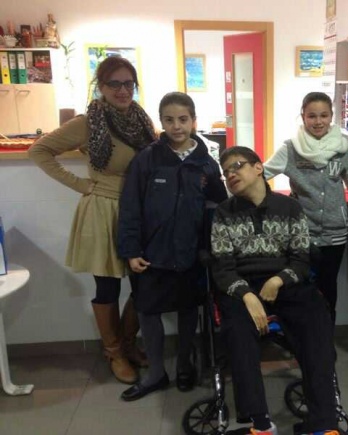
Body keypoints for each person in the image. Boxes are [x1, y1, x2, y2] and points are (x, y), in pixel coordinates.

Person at [28, 56, 156, 384]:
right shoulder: (89, 122)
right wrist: (81, 185)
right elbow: (39, 151)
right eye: (114, 83)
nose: (123, 90)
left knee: (144, 283)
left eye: (128, 83)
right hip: (104, 210)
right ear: (101, 86)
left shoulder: (141, 120)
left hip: (140, 211)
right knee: (108, 285)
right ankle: (114, 352)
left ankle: (128, 343)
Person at [211, 146, 339, 435]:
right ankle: (260, 423)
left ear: (259, 167)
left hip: (286, 283)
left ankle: (323, 424)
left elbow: (301, 259)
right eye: (226, 172)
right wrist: (247, 295)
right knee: (238, 336)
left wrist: (278, 280)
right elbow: (222, 268)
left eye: (237, 166)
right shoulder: (223, 213)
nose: (231, 174)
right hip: (242, 286)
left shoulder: (290, 208)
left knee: (317, 330)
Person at [117, 92, 227, 401]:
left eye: (182, 119)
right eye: (169, 120)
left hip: (191, 255)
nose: (176, 126)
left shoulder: (206, 163)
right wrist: (131, 251)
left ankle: (184, 365)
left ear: (194, 121)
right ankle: (155, 373)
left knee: (188, 309)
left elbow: (219, 206)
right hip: (152, 254)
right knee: (148, 311)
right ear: (161, 122)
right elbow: (130, 208)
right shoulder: (147, 160)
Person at [263, 92, 348, 324]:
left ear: (331, 116)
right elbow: (261, 174)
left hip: (335, 232)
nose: (318, 121)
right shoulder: (291, 148)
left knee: (328, 285)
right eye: (312, 116)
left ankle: (326, 333)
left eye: (324, 115)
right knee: (300, 285)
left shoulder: (342, 148)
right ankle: (304, 334)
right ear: (303, 117)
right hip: (302, 232)